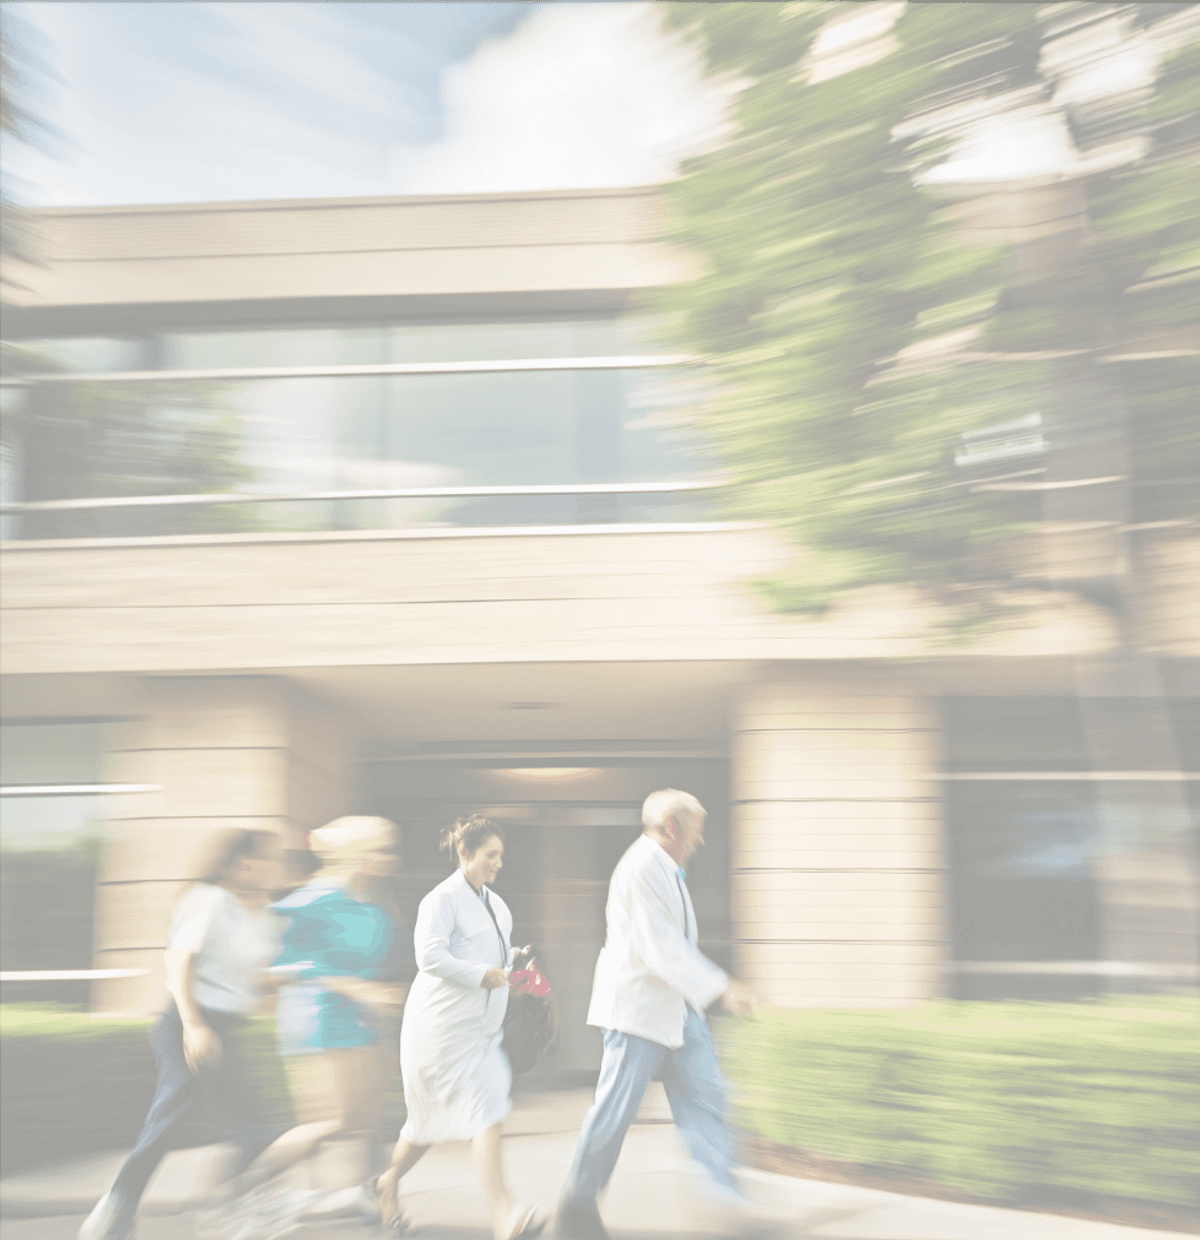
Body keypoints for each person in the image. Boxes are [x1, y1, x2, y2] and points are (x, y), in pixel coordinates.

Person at [557, 789, 759, 1240]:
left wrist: (705, 991)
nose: (700, 841)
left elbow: (673, 945)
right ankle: (578, 1203)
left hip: (675, 1009)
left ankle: (728, 1201)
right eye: (696, 831)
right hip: (639, 1012)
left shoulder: (666, 869)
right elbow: (660, 945)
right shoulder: (642, 866)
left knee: (708, 1099)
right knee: (614, 1112)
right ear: (673, 829)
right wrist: (722, 988)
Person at [78, 828, 287, 1240]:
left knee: (257, 1130)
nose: (269, 867)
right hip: (189, 1021)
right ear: (237, 864)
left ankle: (224, 1207)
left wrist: (288, 979)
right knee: (171, 1117)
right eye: (262, 859)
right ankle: (115, 1211)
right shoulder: (207, 899)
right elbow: (177, 962)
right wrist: (194, 1026)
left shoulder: (257, 913)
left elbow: (252, 980)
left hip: (226, 1026)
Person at [371, 813, 543, 1240]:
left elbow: (495, 961)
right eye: (490, 854)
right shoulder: (440, 900)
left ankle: (501, 1217)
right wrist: (481, 974)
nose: (498, 863)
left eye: (501, 855)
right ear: (464, 853)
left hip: (480, 1033)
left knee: (484, 1111)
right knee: (426, 1125)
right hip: (440, 1031)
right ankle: (391, 1182)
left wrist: (515, 971)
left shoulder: (497, 905)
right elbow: (429, 957)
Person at [258, 815, 414, 1225]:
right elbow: (282, 965)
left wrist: (383, 994)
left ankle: (375, 1201)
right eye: (376, 849)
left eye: (387, 849)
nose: (385, 858)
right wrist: (358, 988)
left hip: (363, 1025)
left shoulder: (373, 908)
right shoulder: (313, 899)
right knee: (331, 1121)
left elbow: (376, 968)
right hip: (317, 1019)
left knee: (365, 1122)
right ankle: (248, 1191)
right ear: (351, 852)